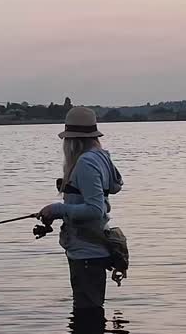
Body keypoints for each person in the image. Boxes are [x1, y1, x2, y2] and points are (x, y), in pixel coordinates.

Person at [38, 107, 123, 314]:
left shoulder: (85, 162)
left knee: (87, 314)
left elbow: (95, 209)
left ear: (72, 139)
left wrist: (58, 209)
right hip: (93, 247)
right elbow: (115, 186)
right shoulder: (100, 156)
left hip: (86, 252)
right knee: (91, 311)